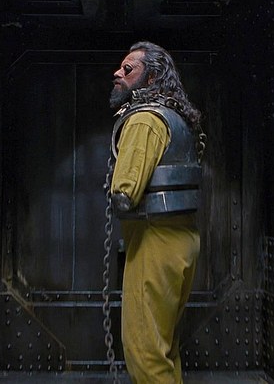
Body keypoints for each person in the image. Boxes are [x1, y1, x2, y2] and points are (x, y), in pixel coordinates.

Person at [108, 41, 204, 383]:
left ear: (151, 78)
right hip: (183, 240)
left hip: (154, 241)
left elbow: (124, 193)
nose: (118, 73)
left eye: (128, 69)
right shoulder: (177, 119)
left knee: (145, 351)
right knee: (166, 348)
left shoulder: (144, 119)